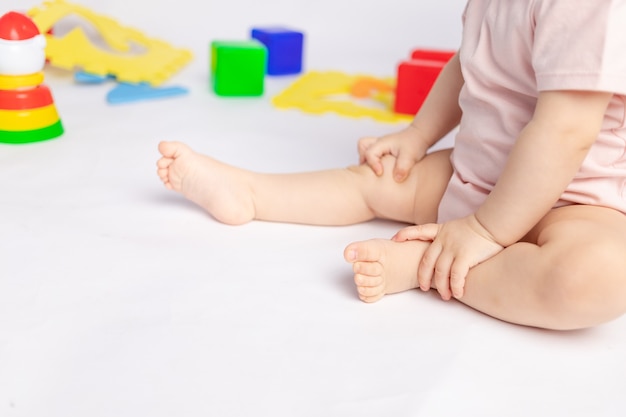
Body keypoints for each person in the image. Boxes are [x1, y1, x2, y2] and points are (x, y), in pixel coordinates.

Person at [157, 0, 626, 330]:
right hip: (478, 176)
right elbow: (469, 66)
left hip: (575, 201)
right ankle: (250, 191)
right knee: (376, 179)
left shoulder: (588, 7)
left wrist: (483, 231)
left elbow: (565, 131)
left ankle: (430, 263)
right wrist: (417, 136)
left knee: (597, 276)